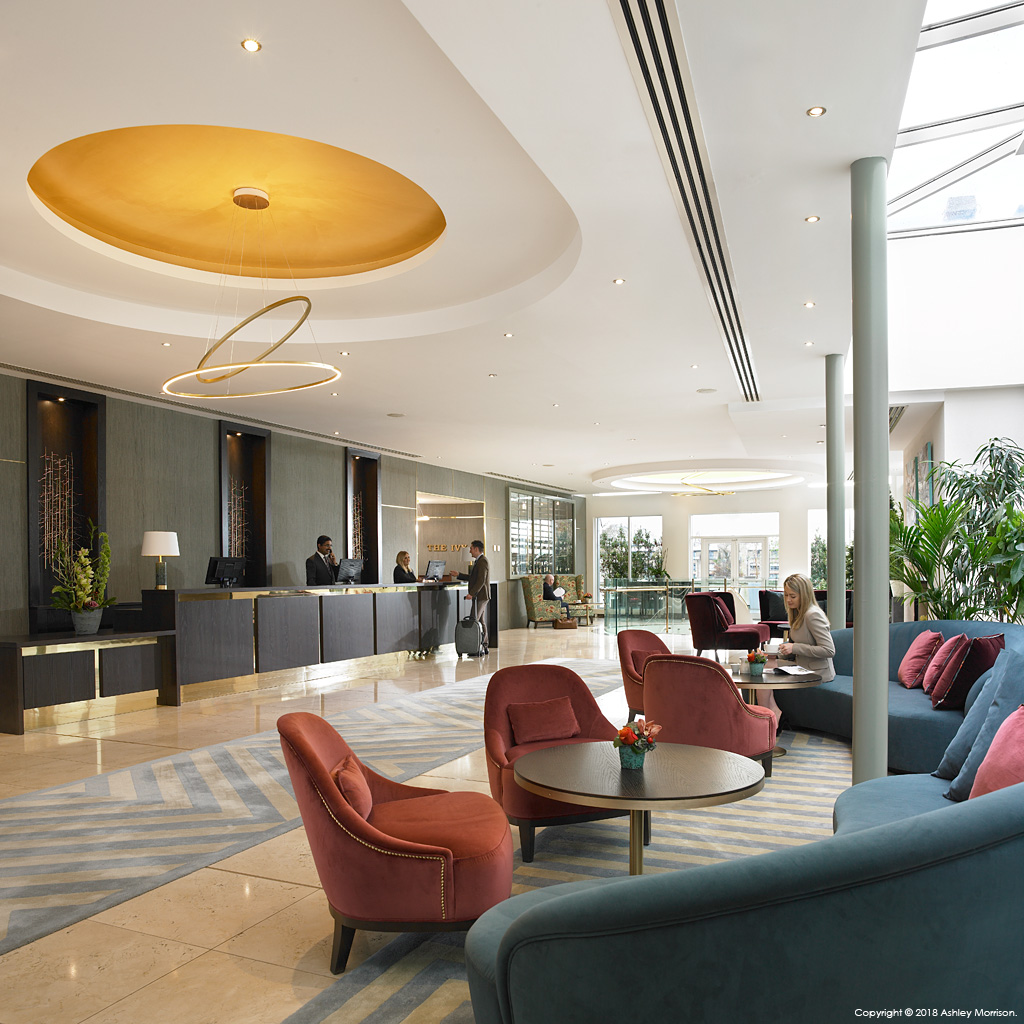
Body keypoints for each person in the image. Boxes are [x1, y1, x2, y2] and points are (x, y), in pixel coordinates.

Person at [759, 573, 836, 723]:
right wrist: (776, 654)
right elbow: (795, 649)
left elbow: (829, 650)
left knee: (766, 670)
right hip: (801, 666)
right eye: (786, 595)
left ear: (804, 595)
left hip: (818, 671)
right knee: (764, 664)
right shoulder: (798, 613)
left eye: (793, 596)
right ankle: (771, 712)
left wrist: (794, 647)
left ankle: (764, 718)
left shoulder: (812, 615)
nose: (788, 600)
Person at [456, 540, 490, 654]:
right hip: (480, 596)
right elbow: (473, 577)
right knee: (480, 620)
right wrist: (459, 575)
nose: (470, 551)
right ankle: (484, 645)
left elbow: (481, 580)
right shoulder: (478, 561)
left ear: (476, 549)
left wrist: (472, 593)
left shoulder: (483, 561)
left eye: (471, 548)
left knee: (473, 619)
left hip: (481, 596)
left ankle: (475, 647)